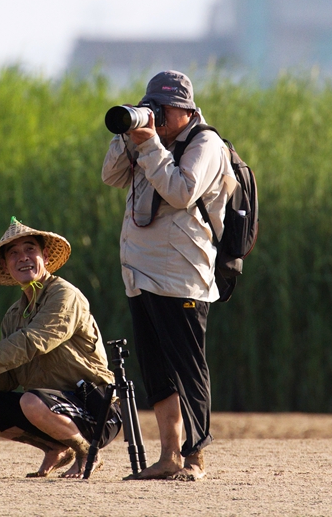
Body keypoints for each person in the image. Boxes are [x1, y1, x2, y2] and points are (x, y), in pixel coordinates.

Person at [101, 70, 235, 481]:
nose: (155, 116)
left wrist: (151, 144)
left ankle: (195, 459)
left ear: (186, 109)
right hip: (140, 274)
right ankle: (168, 457)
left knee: (187, 367)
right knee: (157, 371)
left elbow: (180, 192)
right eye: (150, 107)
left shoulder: (205, 143)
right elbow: (110, 177)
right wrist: (130, 135)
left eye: (162, 109)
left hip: (182, 275)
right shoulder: (149, 140)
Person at [0, 218, 121, 478]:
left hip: (96, 407)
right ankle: (56, 446)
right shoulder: (13, 314)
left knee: (31, 401)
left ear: (46, 257)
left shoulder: (64, 295)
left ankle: (88, 451)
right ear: (7, 266)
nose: (23, 258)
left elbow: (34, 340)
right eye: (14, 254)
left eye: (30, 250)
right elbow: (7, 382)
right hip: (48, 407)